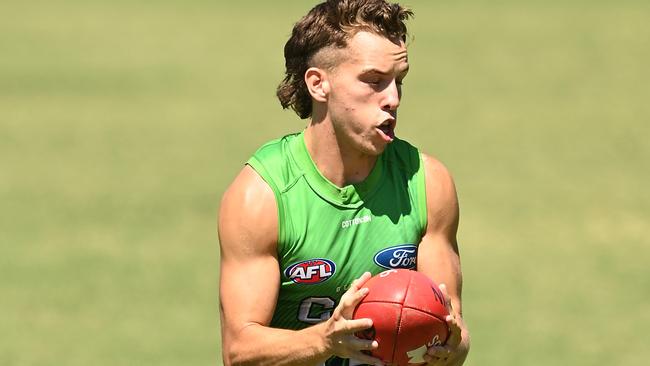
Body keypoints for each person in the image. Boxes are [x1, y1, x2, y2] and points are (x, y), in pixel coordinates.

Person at [218, 0, 470, 365]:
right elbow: (239, 351)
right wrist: (326, 340)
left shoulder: (427, 183)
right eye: (373, 81)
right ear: (319, 84)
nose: (393, 99)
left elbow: (455, 336)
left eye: (399, 81)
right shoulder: (262, 196)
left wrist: (449, 347)